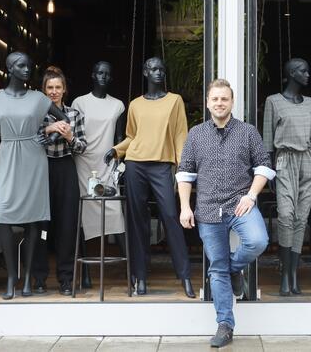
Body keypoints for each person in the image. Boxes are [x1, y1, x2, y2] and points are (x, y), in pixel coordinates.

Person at [176, 79, 273, 348]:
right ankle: (225, 325)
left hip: (240, 204)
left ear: (232, 102)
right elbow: (185, 173)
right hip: (207, 209)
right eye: (215, 99)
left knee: (257, 241)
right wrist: (185, 207)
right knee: (216, 267)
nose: (220, 103)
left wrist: (251, 196)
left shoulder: (248, 132)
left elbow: (264, 167)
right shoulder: (196, 134)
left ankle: (234, 268)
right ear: (208, 103)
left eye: (224, 99)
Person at [105, 57, 194, 298]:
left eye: (162, 69)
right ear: (145, 72)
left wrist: (182, 170)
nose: (159, 73)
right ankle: (140, 277)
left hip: (162, 166)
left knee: (170, 216)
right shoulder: (135, 104)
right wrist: (116, 150)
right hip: (135, 165)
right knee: (137, 221)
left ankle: (185, 275)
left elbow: (179, 137)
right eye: (154, 69)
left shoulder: (174, 101)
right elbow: (132, 137)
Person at [0, 52, 70, 299]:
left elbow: (64, 119)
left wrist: (50, 136)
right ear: (10, 68)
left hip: (34, 158)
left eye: (29, 66)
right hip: (7, 156)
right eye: (21, 66)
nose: (27, 70)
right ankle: (12, 276)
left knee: (34, 220)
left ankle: (28, 279)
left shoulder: (38, 99)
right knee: (2, 216)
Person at [263, 58, 311, 296]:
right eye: (303, 71)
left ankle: (294, 273)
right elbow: (267, 141)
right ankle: (285, 272)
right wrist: (269, 173)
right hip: (285, 159)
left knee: (301, 217)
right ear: (292, 73)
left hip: (308, 159)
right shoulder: (273, 101)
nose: (308, 74)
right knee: (286, 215)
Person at [32, 66, 87, 295]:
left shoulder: (75, 114)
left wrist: (69, 136)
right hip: (41, 169)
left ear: (64, 89)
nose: (54, 91)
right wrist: (48, 129)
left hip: (66, 168)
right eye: (49, 88)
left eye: (58, 87)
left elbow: (82, 148)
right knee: (41, 225)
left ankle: (66, 278)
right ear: (43, 90)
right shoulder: (34, 113)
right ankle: (39, 278)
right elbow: (28, 142)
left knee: (67, 225)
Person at [72, 61, 126, 288]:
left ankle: (130, 269)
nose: (103, 76)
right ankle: (85, 273)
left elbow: (121, 139)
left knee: (115, 213)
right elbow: (75, 134)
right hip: (83, 163)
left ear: (111, 78)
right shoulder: (79, 102)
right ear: (92, 75)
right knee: (83, 216)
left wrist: (118, 165)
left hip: (107, 165)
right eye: (99, 72)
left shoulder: (118, 106)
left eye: (107, 73)